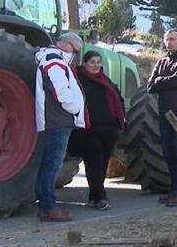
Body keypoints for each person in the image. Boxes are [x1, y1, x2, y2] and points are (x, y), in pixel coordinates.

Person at [34, 32, 86, 222]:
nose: (75, 54)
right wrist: (74, 108)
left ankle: (45, 204)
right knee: (53, 164)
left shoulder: (52, 58)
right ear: (66, 45)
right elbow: (60, 90)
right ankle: (48, 207)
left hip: (57, 119)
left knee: (49, 163)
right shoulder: (54, 60)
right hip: (59, 119)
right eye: (75, 49)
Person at [67, 51, 126, 210]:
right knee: (94, 163)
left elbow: (118, 100)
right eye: (92, 62)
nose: (95, 65)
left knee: (103, 164)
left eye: (98, 62)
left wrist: (119, 121)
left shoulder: (106, 81)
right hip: (87, 131)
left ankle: (96, 195)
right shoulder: (77, 81)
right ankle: (100, 197)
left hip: (108, 130)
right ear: (85, 63)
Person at [146, 29, 177, 207]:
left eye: (173, 39)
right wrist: (167, 81)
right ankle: (172, 190)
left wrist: (162, 81)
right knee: (167, 151)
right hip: (163, 110)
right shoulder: (161, 62)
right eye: (167, 39)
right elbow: (150, 86)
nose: (170, 42)